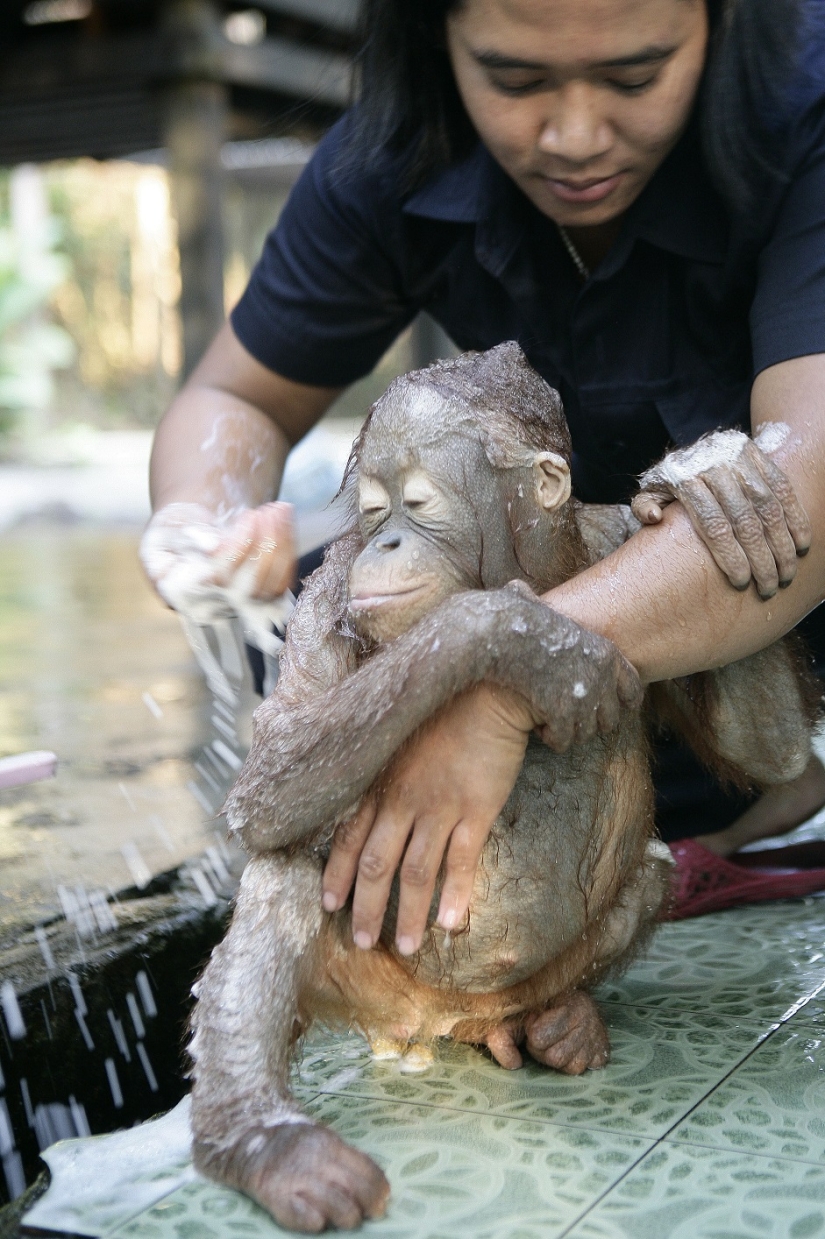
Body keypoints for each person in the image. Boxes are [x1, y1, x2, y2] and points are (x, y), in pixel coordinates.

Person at [143, 0, 825, 956]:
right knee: (329, 601)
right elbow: (235, 400)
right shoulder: (395, 152)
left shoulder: (807, 105)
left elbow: (810, 481)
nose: (576, 137)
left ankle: (761, 792)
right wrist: (203, 521)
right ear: (437, 43)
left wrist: (495, 672)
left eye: (634, 78)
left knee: (749, 514)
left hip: (767, 600)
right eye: (515, 81)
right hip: (590, 622)